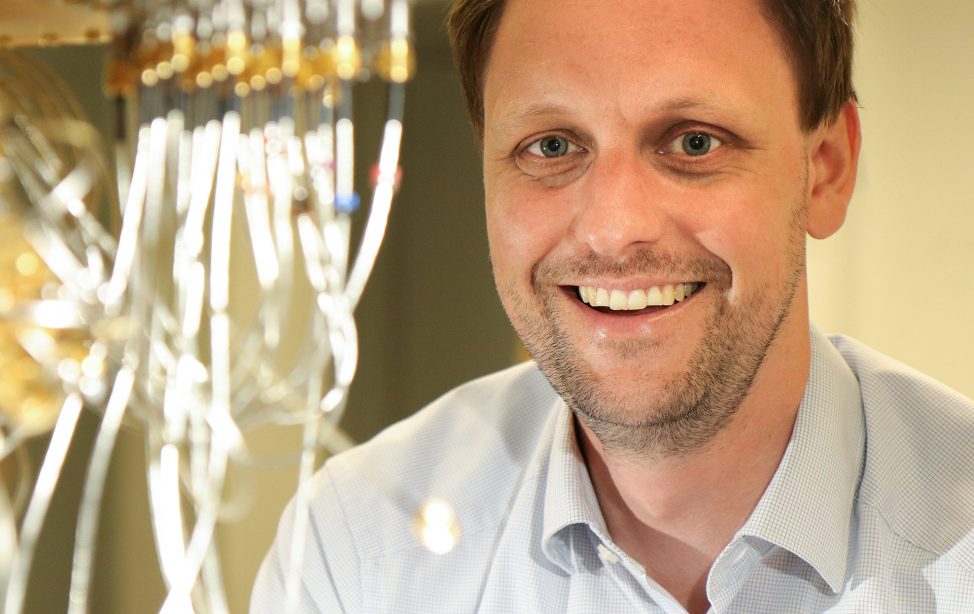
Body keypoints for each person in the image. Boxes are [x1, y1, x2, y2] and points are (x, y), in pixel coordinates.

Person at [252, 0, 974, 611]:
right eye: (552, 145)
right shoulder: (358, 549)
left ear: (826, 170)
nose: (613, 225)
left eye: (694, 142)